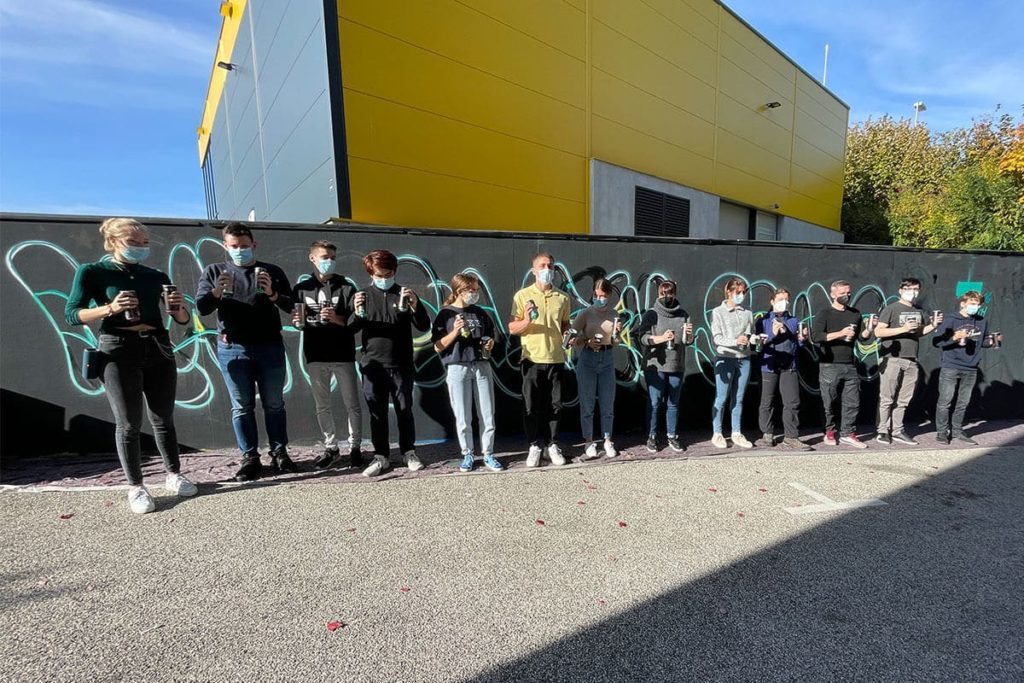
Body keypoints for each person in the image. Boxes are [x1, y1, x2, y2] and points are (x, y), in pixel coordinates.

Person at [65, 218, 196, 513]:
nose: (140, 248)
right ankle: (136, 486)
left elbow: (183, 320)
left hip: (158, 344)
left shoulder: (156, 275)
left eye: (144, 243)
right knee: (128, 422)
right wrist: (109, 308)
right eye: (133, 243)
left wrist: (178, 308)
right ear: (112, 243)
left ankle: (174, 474)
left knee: (163, 416)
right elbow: (72, 314)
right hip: (118, 348)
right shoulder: (93, 272)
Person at [196, 223, 296, 481]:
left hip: (269, 346)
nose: (240, 250)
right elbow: (202, 308)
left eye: (244, 245)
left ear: (254, 244)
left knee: (275, 404)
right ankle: (250, 456)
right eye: (234, 246)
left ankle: (279, 452)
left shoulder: (271, 271)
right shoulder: (214, 271)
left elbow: (291, 305)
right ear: (225, 247)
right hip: (233, 348)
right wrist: (218, 290)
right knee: (242, 406)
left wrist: (272, 293)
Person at [348, 249, 430, 477]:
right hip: (372, 366)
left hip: (401, 364)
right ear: (370, 273)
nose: (384, 278)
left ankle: (409, 452)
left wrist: (415, 304)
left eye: (388, 273)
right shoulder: (362, 295)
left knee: (405, 410)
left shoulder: (404, 294)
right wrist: (356, 312)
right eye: (379, 274)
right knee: (377, 413)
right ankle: (381, 456)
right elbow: (350, 328)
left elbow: (423, 325)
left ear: (394, 271)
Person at [292, 240, 363, 469]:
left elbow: (356, 322)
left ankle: (355, 447)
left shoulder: (346, 287)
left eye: (333, 257)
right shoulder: (301, 289)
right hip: (315, 355)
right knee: (322, 405)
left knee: (352, 404)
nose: (329, 262)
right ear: (312, 258)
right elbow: (299, 321)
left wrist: (337, 319)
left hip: (343, 355)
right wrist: (297, 323)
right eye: (325, 257)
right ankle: (331, 448)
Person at [431, 273, 502, 473]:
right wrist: (455, 331)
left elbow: (489, 344)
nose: (476, 293)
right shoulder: (445, 314)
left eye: (477, 289)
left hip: (481, 366)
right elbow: (437, 346)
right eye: (472, 290)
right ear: (460, 291)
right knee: (462, 415)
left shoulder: (480, 313)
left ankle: (488, 453)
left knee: (487, 413)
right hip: (457, 367)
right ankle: (468, 453)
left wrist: (489, 346)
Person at [509, 252, 571, 467]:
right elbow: (513, 327)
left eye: (551, 266)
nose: (547, 270)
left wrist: (569, 335)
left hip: (556, 358)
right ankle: (534, 445)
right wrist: (526, 319)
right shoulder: (522, 296)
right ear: (534, 270)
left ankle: (551, 445)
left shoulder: (563, 297)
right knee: (531, 405)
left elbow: (565, 325)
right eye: (542, 266)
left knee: (555, 405)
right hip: (532, 359)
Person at [873, 277, 942, 445]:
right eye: (909, 289)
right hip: (892, 359)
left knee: (904, 398)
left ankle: (897, 430)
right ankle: (882, 430)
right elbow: (879, 332)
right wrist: (902, 329)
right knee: (887, 397)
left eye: (916, 289)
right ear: (901, 290)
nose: (913, 293)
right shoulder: (891, 309)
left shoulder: (918, 311)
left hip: (911, 358)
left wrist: (932, 325)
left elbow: (918, 333)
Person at [931, 290, 1002, 445]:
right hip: (951, 366)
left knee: (963, 402)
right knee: (945, 401)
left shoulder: (982, 321)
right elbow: (937, 341)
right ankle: (942, 433)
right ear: (963, 303)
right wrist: (954, 338)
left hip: (971, 367)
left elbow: (982, 341)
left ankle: (957, 431)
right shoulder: (951, 319)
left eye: (977, 304)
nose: (975, 307)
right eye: (972, 304)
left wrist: (993, 342)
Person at [811, 280, 872, 449]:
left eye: (849, 292)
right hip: (829, 365)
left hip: (850, 364)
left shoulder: (855, 313)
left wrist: (869, 329)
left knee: (852, 401)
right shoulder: (825, 313)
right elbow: (816, 336)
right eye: (843, 293)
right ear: (833, 294)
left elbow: (861, 337)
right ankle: (829, 431)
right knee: (828, 401)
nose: (847, 295)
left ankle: (848, 433)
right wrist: (840, 333)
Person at [570, 278, 623, 460]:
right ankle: (589, 441)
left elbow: (616, 342)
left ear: (609, 295)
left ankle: (608, 440)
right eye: (596, 295)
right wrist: (586, 342)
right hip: (588, 359)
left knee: (608, 404)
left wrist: (618, 334)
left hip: (607, 358)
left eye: (603, 295)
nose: (599, 298)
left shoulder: (615, 314)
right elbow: (570, 339)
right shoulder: (586, 313)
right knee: (587, 404)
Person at [637, 280, 692, 453]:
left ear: (675, 294)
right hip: (655, 365)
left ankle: (672, 436)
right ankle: (652, 436)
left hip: (676, 364)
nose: (666, 297)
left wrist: (689, 336)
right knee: (654, 402)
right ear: (658, 294)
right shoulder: (651, 314)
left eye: (669, 293)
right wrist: (660, 338)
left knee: (673, 403)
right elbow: (642, 337)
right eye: (663, 294)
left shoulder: (683, 314)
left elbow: (687, 341)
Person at [755, 287, 812, 451]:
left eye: (787, 300)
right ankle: (767, 434)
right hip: (769, 365)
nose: (784, 303)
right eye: (780, 299)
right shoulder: (763, 320)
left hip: (790, 366)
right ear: (772, 301)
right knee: (767, 400)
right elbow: (758, 345)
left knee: (792, 401)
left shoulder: (794, 320)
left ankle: (791, 436)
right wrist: (772, 334)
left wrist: (802, 339)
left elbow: (797, 344)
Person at [710, 277, 755, 449]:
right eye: (738, 292)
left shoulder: (748, 313)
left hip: (744, 359)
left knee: (739, 398)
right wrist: (735, 341)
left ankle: (736, 432)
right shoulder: (718, 312)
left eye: (743, 292)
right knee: (721, 398)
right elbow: (717, 338)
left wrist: (755, 340)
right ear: (729, 291)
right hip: (725, 358)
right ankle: (717, 433)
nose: (741, 295)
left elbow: (751, 335)